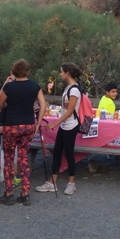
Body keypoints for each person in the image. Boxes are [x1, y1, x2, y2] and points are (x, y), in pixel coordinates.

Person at [0, 59, 46, 206]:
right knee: (23, 158)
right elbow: (43, 104)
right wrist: (38, 123)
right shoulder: (34, 86)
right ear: (27, 71)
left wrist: (6, 84)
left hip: (11, 125)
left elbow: (0, 105)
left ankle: (9, 193)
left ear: (13, 71)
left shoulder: (9, 87)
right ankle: (25, 193)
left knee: (9, 158)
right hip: (28, 124)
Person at [36, 62, 82, 196]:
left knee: (69, 153)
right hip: (64, 125)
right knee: (57, 152)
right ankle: (52, 182)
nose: (60, 74)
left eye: (61, 72)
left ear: (67, 73)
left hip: (71, 126)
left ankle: (71, 183)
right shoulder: (68, 87)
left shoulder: (74, 89)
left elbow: (70, 111)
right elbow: (66, 108)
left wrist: (54, 124)